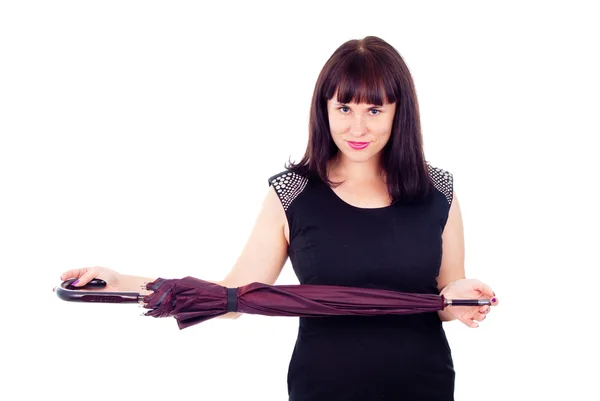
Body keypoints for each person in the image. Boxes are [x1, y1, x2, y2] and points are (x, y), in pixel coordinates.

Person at [58, 36, 498, 400]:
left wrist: (459, 299)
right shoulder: (291, 192)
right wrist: (122, 282)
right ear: (324, 110)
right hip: (323, 388)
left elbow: (442, 302)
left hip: (423, 386)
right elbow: (232, 298)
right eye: (344, 109)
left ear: (399, 112)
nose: (357, 127)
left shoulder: (438, 191)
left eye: (374, 110)